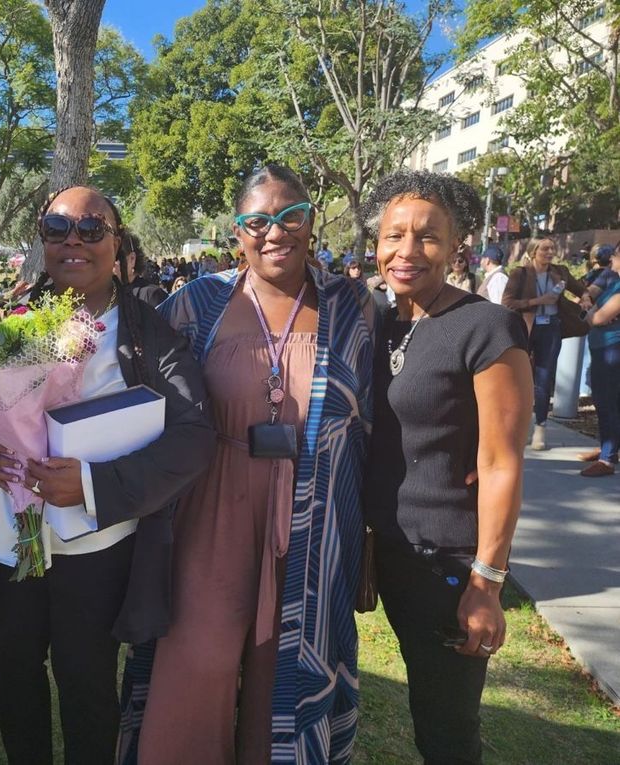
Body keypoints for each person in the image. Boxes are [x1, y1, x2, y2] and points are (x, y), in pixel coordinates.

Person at [0, 185, 215, 765]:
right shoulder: (9, 318)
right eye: (58, 229)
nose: (74, 242)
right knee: (11, 672)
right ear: (42, 241)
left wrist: (91, 485)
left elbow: (193, 437)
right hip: (8, 538)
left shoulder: (150, 335)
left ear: (117, 245)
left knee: (86, 679)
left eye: (92, 230)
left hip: (96, 544)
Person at [130, 164, 374, 764]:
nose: (276, 232)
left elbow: (373, 418)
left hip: (313, 514)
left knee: (285, 661)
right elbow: (144, 398)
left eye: (291, 217)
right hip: (213, 500)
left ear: (312, 222)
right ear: (236, 231)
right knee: (197, 654)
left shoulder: (351, 306)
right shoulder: (197, 303)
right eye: (257, 220)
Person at [361, 170, 532, 765]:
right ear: (376, 243)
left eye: (428, 237)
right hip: (374, 549)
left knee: (446, 728)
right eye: (394, 235)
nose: (407, 251)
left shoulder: (486, 328)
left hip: (445, 561)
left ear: (457, 245)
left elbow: (501, 461)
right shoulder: (378, 323)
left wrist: (487, 582)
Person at [502, 237, 585, 450]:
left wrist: (585, 297)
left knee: (544, 377)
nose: (550, 252)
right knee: (519, 377)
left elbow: (580, 288)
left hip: (551, 328)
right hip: (527, 328)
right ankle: (515, 427)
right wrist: (537, 301)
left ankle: (540, 428)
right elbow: (507, 303)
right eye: (545, 249)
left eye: (552, 249)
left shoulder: (561, 272)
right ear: (533, 251)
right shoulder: (520, 274)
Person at [579, 245, 620, 476]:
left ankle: (608, 458)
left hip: (612, 349)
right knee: (607, 400)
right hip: (601, 346)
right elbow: (594, 308)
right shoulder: (613, 281)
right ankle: (608, 446)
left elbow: (599, 316)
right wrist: (592, 312)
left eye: (614, 256)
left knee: (607, 401)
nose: (611, 259)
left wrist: (592, 314)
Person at [114, 231, 168, 307]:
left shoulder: (151, 295)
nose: (109, 264)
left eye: (114, 258)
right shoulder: (108, 299)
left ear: (132, 259)